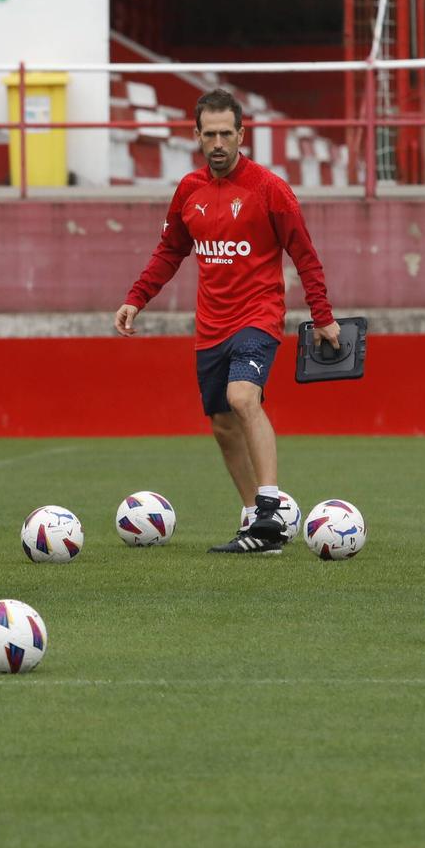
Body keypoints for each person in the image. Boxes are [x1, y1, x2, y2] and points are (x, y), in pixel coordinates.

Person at [113, 88, 338, 554]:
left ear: (241, 134)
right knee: (220, 423)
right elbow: (170, 250)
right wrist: (137, 298)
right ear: (196, 135)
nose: (217, 143)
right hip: (210, 326)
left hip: (258, 316)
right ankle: (255, 526)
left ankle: (271, 507)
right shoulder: (189, 191)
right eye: (208, 134)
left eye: (225, 134)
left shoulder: (269, 189)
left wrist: (323, 317)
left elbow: (305, 256)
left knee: (242, 397)